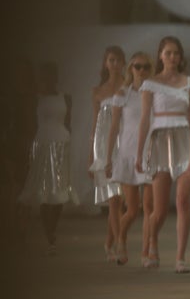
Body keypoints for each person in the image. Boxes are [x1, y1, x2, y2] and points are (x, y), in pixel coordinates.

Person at [136, 36, 190, 273]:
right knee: (160, 208)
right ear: (160, 56)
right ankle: (150, 245)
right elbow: (144, 119)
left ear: (181, 57)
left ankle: (180, 258)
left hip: (183, 140)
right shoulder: (149, 83)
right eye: (168, 53)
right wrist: (139, 153)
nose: (172, 57)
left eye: (176, 53)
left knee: (183, 202)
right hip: (160, 142)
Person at [18, 62, 77, 254]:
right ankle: (48, 233)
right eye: (45, 76)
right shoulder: (36, 99)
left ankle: (52, 229)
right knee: (45, 189)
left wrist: (67, 141)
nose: (49, 80)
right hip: (43, 144)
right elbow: (29, 124)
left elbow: (68, 123)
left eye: (52, 75)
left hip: (61, 143)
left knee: (59, 189)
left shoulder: (65, 98)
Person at [105, 52, 154, 266]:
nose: (141, 70)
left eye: (145, 67)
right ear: (131, 69)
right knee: (132, 209)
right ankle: (121, 239)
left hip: (151, 153)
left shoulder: (155, 92)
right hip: (127, 153)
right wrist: (108, 158)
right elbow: (114, 127)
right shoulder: (122, 94)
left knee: (150, 208)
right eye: (137, 66)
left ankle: (146, 252)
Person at [89, 46, 125, 262]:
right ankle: (120, 245)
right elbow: (95, 125)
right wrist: (90, 155)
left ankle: (109, 242)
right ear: (105, 63)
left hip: (124, 141)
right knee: (113, 199)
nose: (115, 64)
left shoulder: (128, 87)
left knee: (121, 199)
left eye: (119, 60)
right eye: (111, 60)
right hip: (104, 145)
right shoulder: (97, 91)